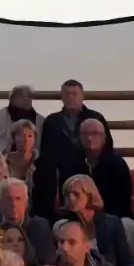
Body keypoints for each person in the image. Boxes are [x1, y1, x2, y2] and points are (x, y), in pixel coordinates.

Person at [36, 79, 106, 219]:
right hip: (60, 171)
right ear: (61, 97)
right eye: (67, 94)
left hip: (90, 168)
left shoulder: (95, 117)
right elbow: (46, 150)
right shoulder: (52, 121)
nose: (71, 97)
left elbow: (106, 145)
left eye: (74, 93)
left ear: (82, 96)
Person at [76, 117, 134, 250]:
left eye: (95, 133)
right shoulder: (72, 164)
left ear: (104, 137)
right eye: (85, 134)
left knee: (128, 224)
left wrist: (98, 218)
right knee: (60, 225)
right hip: (80, 219)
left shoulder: (117, 165)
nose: (90, 138)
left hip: (112, 217)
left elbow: (122, 203)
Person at [57, 174, 134, 266]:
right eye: (67, 194)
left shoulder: (111, 223)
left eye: (76, 194)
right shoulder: (65, 228)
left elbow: (127, 264)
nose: (71, 198)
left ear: (89, 195)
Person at [0, 177, 57, 266]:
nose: (13, 204)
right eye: (8, 199)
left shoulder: (40, 228)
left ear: (26, 203)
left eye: (18, 199)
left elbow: (49, 265)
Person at [0, 84, 38, 160]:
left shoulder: (39, 120)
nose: (25, 99)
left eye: (28, 96)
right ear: (12, 99)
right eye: (21, 96)